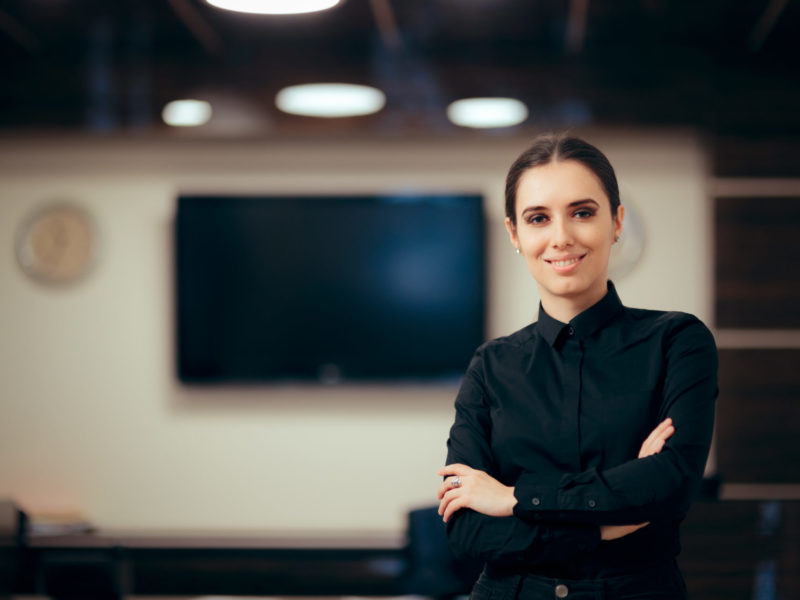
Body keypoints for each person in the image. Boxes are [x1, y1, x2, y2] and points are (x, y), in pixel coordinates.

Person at [436, 134, 717, 599]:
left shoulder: (677, 342)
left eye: (582, 212)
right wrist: (607, 522)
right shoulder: (491, 365)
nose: (561, 236)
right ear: (514, 234)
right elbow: (467, 531)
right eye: (538, 218)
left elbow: (671, 486)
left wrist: (513, 498)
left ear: (616, 222)